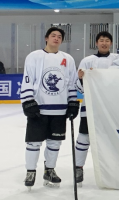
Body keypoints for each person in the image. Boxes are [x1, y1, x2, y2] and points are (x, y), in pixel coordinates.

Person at [20, 27, 79, 190]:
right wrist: (28, 100)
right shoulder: (34, 56)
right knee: (34, 142)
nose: (56, 38)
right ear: (46, 38)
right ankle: (30, 172)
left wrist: (73, 102)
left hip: (60, 108)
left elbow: (71, 82)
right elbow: (27, 78)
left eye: (59, 36)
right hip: (39, 108)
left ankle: (49, 170)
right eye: (53, 35)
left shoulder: (67, 58)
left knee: (55, 142)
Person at [74, 31, 118, 186]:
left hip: (112, 108)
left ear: (111, 43)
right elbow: (79, 87)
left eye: (107, 40)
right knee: (84, 137)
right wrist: (81, 78)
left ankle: (113, 169)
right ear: (96, 43)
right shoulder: (87, 61)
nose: (104, 43)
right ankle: (78, 167)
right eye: (101, 40)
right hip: (90, 106)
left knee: (111, 139)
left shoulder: (117, 60)